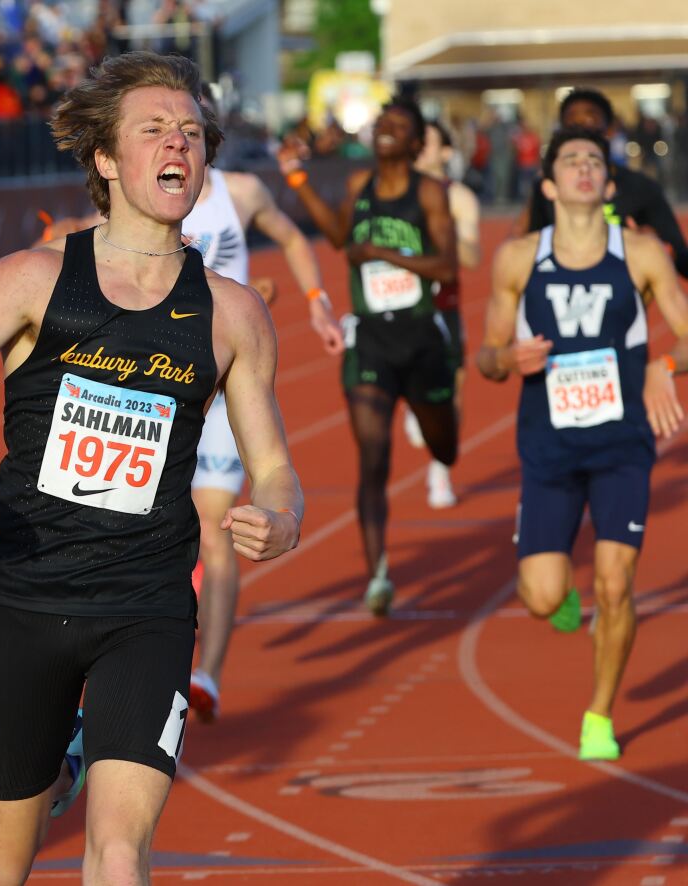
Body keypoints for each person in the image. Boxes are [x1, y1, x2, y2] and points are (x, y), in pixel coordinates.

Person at [0, 51, 303, 885]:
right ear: (106, 161)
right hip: (26, 598)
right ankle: (60, 757)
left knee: (116, 852)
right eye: (154, 129)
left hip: (147, 605)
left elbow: (277, 464)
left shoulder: (232, 313)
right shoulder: (34, 281)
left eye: (190, 131)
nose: (178, 142)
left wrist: (281, 516)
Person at [478, 127, 688, 760]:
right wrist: (509, 357)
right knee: (540, 597)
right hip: (549, 447)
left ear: (609, 183)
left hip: (623, 442)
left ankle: (599, 713)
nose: (584, 168)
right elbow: (486, 357)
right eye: (571, 160)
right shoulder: (518, 257)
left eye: (595, 160)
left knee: (617, 583)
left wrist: (666, 366)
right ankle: (561, 595)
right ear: (548, 184)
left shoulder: (642, 252)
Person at [282, 97, 459, 615]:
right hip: (371, 344)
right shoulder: (360, 187)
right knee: (373, 457)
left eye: (399, 126)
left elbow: (447, 268)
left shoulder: (429, 193)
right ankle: (377, 575)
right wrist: (298, 181)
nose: (386, 130)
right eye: (382, 122)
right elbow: (338, 237)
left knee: (444, 449)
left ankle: (433, 436)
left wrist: (382, 254)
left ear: (416, 142)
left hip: (422, 338)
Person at [181, 160, 342, 724]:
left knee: (214, 525)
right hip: (159, 383)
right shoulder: (137, 190)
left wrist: (316, 298)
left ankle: (208, 672)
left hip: (227, 384)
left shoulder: (241, 191)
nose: (177, 140)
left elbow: (293, 237)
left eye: (192, 126)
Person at [514, 88, 688, 281]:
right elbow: (524, 249)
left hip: (621, 299)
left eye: (590, 119)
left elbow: (681, 258)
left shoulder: (641, 187)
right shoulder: (547, 187)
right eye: (573, 123)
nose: (581, 128)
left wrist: (659, 249)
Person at [402, 120, 482, 509]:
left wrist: (443, 223)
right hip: (401, 307)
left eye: (428, 143)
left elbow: (472, 256)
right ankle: (415, 406)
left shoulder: (461, 197)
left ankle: (440, 470)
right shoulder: (395, 191)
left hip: (444, 306)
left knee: (455, 389)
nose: (419, 149)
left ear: (446, 152)